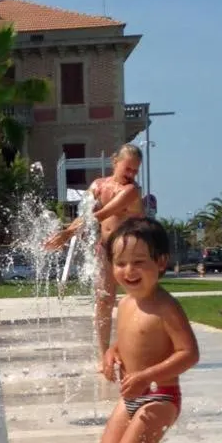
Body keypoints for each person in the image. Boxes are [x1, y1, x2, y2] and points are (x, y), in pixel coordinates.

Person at [98, 217, 199, 443]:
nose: (129, 271)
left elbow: (189, 353)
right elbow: (130, 340)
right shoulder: (127, 304)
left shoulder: (165, 307)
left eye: (139, 262)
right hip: (132, 395)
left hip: (160, 396)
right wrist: (112, 352)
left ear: (161, 262)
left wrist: (146, 376)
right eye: (121, 263)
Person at [44, 144, 145, 364]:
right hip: (105, 249)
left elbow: (103, 214)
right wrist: (68, 231)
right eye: (128, 168)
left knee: (137, 301)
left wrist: (68, 234)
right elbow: (86, 215)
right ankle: (104, 355)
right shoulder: (98, 186)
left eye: (135, 171)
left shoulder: (131, 191)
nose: (131, 175)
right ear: (115, 161)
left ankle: (136, 351)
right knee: (103, 301)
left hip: (131, 252)